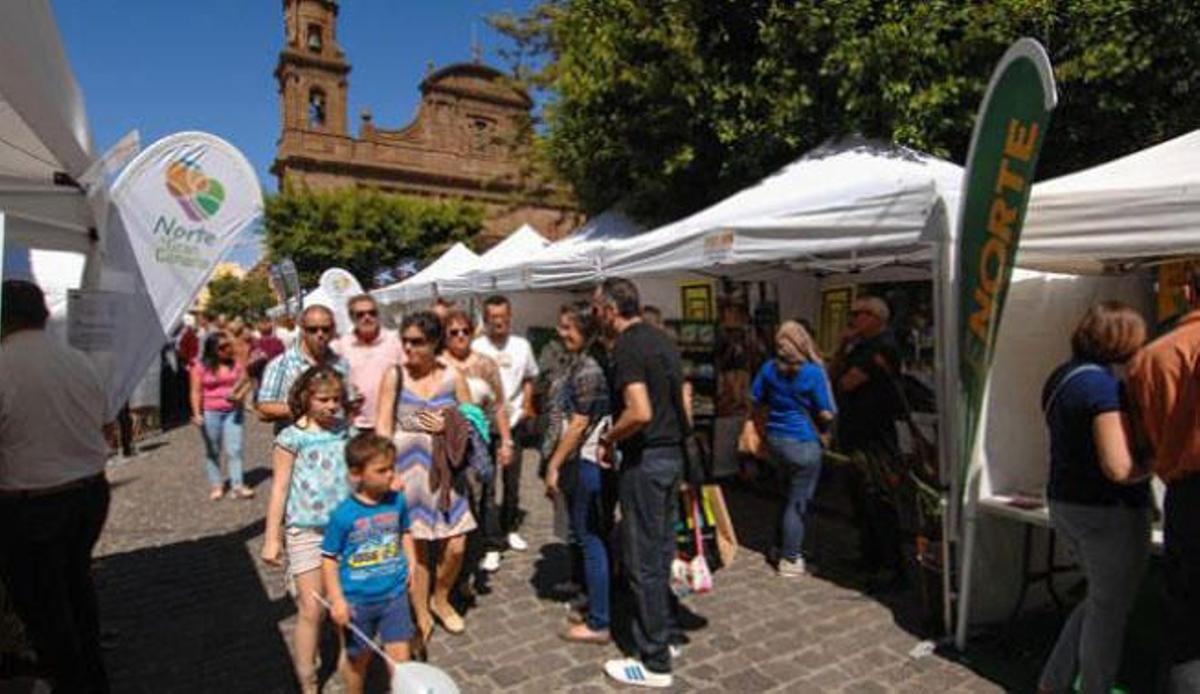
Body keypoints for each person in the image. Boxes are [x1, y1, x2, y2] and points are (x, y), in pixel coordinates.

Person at [0, 280, 111, 693]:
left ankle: (74, 682)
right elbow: (103, 421)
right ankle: (93, 678)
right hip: (87, 494)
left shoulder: (5, 364)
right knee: (77, 590)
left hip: (32, 505)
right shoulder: (77, 361)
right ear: (45, 315)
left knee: (47, 613)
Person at [1037, 302, 1152, 694]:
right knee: (1109, 612)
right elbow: (1118, 468)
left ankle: (1053, 681)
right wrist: (1163, 461)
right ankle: (1094, 687)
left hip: (1068, 502)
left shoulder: (1063, 376)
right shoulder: (1102, 388)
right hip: (1106, 511)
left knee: (1100, 600)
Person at [593, 278, 687, 689]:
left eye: (597, 309)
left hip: (646, 463)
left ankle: (654, 662)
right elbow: (682, 401)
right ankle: (663, 636)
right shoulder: (662, 339)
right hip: (671, 458)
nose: (594, 316)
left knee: (644, 561)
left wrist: (608, 437)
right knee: (660, 552)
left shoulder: (628, 346)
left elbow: (640, 411)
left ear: (611, 310)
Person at [376, 311, 474, 652]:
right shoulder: (395, 376)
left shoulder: (453, 376)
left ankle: (441, 597)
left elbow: (473, 420)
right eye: (405, 340)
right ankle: (422, 615)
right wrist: (386, 473)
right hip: (407, 474)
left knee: (457, 545)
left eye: (416, 342)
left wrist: (449, 423)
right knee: (415, 551)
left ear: (434, 343)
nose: (408, 348)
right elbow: (383, 426)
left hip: (448, 474)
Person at [1127, 271, 1200, 693]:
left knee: (1187, 632)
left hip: (1184, 499)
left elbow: (1144, 443)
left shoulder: (1149, 357)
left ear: (1189, 291)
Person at [261, 366, 353, 694]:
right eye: (323, 399)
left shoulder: (345, 430)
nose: (331, 406)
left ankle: (350, 660)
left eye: (336, 400)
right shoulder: (291, 438)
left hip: (344, 531)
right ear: (306, 397)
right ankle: (308, 678)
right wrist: (273, 537)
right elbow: (280, 489)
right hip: (306, 532)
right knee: (311, 607)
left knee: (346, 600)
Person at [321, 433, 416, 694]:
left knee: (401, 661)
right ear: (356, 473)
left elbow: (405, 531)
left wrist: (412, 560)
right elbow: (328, 558)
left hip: (394, 595)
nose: (390, 475)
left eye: (392, 468)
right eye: (381, 470)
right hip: (357, 602)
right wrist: (337, 599)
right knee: (357, 661)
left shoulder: (397, 501)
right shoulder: (343, 515)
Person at [544, 301, 615, 644]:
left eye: (567, 328)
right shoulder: (579, 363)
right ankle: (592, 600)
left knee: (590, 539)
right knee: (587, 536)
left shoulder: (589, 368)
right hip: (580, 461)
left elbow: (579, 424)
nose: (561, 333)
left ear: (585, 332)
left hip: (585, 462)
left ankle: (600, 620)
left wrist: (554, 465)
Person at [749, 321, 835, 577]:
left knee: (785, 496)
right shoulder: (813, 373)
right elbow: (826, 412)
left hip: (776, 440)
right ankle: (790, 559)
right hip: (804, 443)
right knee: (797, 503)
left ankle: (781, 546)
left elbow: (755, 399)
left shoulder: (768, 369)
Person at [831, 295, 905, 588]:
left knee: (880, 501)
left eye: (858, 314)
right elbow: (834, 373)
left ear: (875, 317)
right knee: (861, 499)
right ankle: (870, 556)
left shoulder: (884, 347)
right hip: (855, 434)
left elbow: (847, 382)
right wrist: (841, 346)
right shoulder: (860, 347)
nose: (853, 320)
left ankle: (892, 566)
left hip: (875, 438)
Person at [440, 308, 513, 576]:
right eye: (453, 332)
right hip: (444, 444)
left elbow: (499, 405)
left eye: (465, 331)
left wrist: (506, 441)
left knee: (482, 497)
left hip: (478, 443)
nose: (460, 337)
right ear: (444, 336)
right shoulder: (437, 364)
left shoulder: (485, 363)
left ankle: (475, 553)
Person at [472, 295, 539, 554]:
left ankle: (510, 527)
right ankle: (490, 539)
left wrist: (526, 406)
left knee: (512, 481)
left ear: (510, 317)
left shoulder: (522, 345)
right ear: (486, 319)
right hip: (485, 425)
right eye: (492, 318)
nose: (498, 323)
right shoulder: (478, 346)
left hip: (513, 423)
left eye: (502, 317)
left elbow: (530, 377)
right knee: (487, 483)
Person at [258, 304, 352, 432]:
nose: (320, 334)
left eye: (326, 329)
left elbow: (348, 402)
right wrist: (307, 408)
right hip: (297, 443)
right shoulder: (281, 364)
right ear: (302, 330)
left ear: (333, 330)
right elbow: (263, 409)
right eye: (313, 329)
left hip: (335, 441)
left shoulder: (341, 363)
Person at [190, 332, 253, 500]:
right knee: (213, 449)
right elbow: (195, 391)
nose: (227, 349)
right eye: (222, 347)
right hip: (211, 411)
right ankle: (216, 484)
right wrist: (197, 413)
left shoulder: (235, 364)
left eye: (228, 345)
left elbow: (247, 381)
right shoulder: (200, 366)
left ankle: (237, 485)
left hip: (233, 411)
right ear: (213, 349)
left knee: (235, 449)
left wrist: (241, 395)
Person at [333, 294, 404, 435]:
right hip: (355, 426)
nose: (367, 317)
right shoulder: (340, 346)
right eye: (360, 314)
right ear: (352, 318)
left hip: (394, 423)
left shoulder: (396, 341)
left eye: (372, 313)